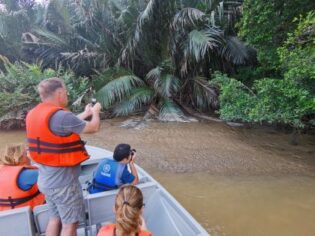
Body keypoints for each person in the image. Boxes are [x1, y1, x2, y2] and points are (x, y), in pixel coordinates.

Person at [26, 77, 102, 236]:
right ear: (59, 92)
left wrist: (85, 113)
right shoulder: (61, 116)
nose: (67, 95)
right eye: (66, 92)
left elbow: (65, 125)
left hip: (47, 181)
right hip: (64, 184)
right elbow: (93, 127)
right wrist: (95, 113)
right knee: (70, 225)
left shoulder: (34, 113)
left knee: (55, 219)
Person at [0, 143, 45, 211]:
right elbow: (52, 175)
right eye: (26, 152)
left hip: (5, 216)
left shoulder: (2, 170)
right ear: (20, 156)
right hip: (28, 214)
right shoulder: (27, 174)